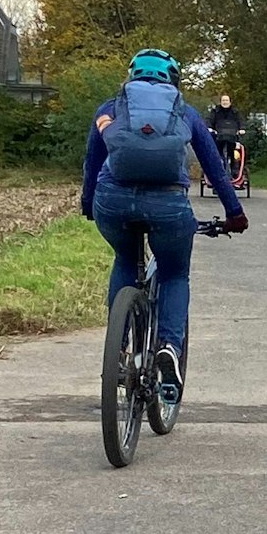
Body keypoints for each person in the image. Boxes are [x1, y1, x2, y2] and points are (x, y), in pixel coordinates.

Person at [80, 49, 248, 393]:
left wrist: (88, 205)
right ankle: (169, 348)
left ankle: (120, 348)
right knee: (173, 274)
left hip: (112, 201)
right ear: (172, 81)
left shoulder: (110, 110)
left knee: (125, 258)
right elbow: (215, 167)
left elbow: (92, 164)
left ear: (131, 77)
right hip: (168, 205)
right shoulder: (184, 112)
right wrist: (234, 213)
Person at [207, 94, 245, 172]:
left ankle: (235, 170)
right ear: (220, 102)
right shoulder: (215, 111)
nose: (225, 102)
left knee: (235, 153)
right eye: (223, 100)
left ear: (230, 102)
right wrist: (209, 127)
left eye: (226, 100)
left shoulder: (235, 112)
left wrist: (242, 129)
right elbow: (210, 120)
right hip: (219, 137)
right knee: (217, 152)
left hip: (232, 137)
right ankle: (218, 167)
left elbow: (240, 121)